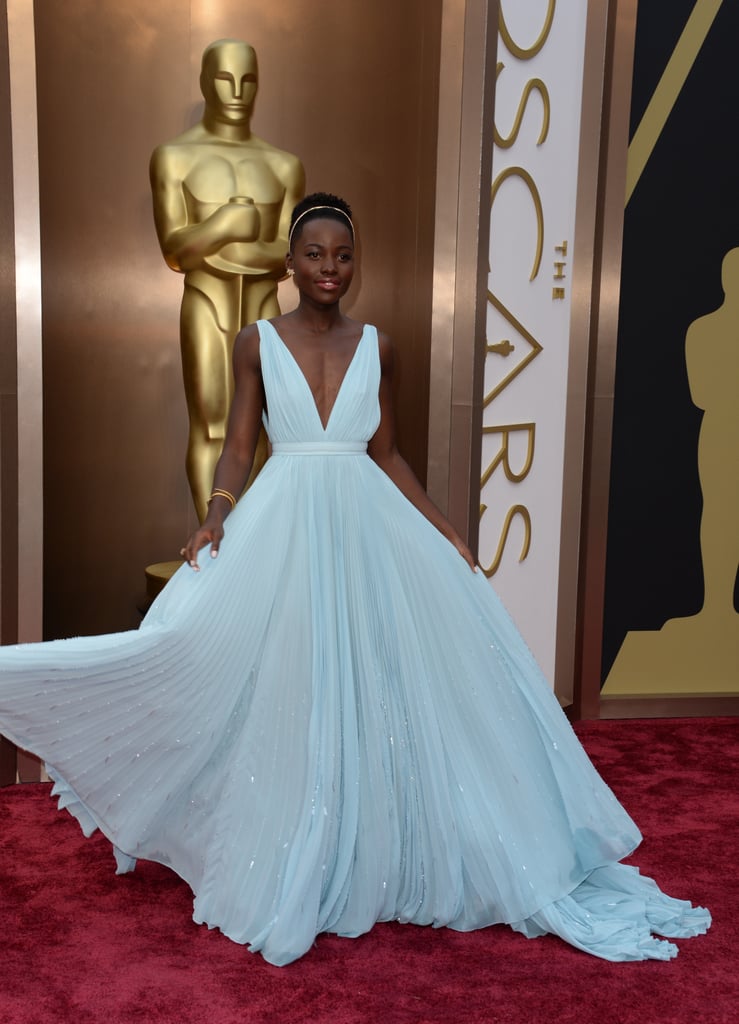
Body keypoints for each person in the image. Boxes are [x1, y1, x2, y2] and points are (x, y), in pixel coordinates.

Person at [0, 193, 710, 967]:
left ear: (353, 262)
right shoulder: (254, 342)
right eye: (314, 255)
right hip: (286, 525)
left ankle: (371, 841)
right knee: (264, 672)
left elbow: (388, 453)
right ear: (289, 263)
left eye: (342, 255)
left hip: (366, 526)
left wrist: (442, 532)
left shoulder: (382, 345)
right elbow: (239, 447)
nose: (329, 268)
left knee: (376, 678)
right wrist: (216, 514)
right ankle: (288, 836)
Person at [150, 39, 305, 521]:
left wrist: (215, 243)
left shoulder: (283, 165)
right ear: (204, 81)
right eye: (224, 78)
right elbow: (174, 250)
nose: (237, 91)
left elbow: (287, 257)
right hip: (206, 302)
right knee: (213, 425)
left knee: (263, 430)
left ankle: (248, 550)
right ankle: (216, 546)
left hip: (264, 307)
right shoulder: (174, 158)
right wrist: (223, 226)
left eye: (248, 79)